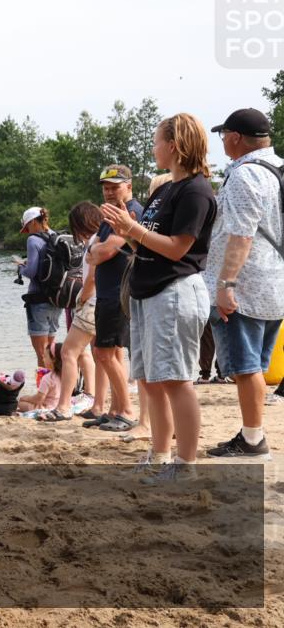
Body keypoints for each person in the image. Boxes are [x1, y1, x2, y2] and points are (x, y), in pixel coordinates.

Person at [101, 113, 217, 483]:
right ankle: (160, 453)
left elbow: (179, 248)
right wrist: (128, 232)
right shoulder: (165, 189)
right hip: (148, 292)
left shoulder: (196, 190)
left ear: (175, 145)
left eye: (156, 141)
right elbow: (149, 242)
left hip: (174, 292)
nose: (153, 148)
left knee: (176, 380)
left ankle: (185, 467)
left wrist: (132, 228)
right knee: (151, 380)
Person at [204, 108, 283, 459]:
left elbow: (241, 235)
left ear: (235, 137)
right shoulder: (278, 168)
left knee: (245, 366)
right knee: (256, 366)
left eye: (224, 136)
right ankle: (251, 433)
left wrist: (226, 283)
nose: (222, 142)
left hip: (247, 285)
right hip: (274, 281)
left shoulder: (245, 175)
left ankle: (254, 440)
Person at [82, 165, 143, 434]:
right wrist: (95, 251)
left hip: (117, 293)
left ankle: (127, 410)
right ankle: (115, 410)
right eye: (105, 187)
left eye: (114, 186)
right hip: (108, 292)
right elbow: (91, 254)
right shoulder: (111, 215)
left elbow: (103, 252)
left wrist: (95, 251)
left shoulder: (131, 213)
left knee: (103, 353)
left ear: (128, 186)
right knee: (113, 353)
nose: (108, 192)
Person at [38, 202, 108, 421]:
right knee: (104, 356)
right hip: (106, 303)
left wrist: (82, 299)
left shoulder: (95, 242)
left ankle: (64, 406)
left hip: (93, 302)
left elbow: (92, 277)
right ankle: (99, 404)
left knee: (69, 352)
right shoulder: (104, 238)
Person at [14, 208, 61, 371]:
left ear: (33, 222)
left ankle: (44, 391)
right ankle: (55, 389)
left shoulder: (33, 240)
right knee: (51, 351)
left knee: (41, 353)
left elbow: (32, 271)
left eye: (27, 227)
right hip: (57, 299)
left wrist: (21, 267)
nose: (27, 232)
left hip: (38, 300)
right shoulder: (55, 236)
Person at [19, 342, 64, 413]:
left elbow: (39, 399)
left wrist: (27, 398)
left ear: (53, 360)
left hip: (47, 408)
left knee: (21, 403)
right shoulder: (65, 376)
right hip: (61, 405)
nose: (43, 358)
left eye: (45, 356)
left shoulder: (48, 378)